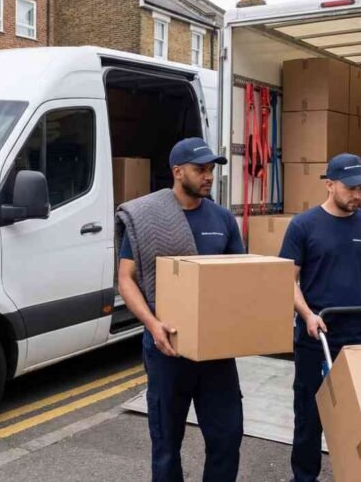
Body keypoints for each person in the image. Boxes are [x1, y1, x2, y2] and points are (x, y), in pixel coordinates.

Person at [116, 137, 245, 482]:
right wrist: (152, 324)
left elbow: (239, 278)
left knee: (227, 437)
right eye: (200, 169)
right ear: (177, 172)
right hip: (167, 348)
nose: (208, 176)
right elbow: (125, 279)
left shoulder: (223, 219)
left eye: (211, 169)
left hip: (216, 353)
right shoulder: (146, 217)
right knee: (166, 443)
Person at [278, 153, 361, 482]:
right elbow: (287, 280)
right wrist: (306, 314)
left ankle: (359, 474)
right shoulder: (304, 226)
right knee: (310, 415)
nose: (357, 195)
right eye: (351, 188)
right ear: (330, 185)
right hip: (316, 337)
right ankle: (304, 477)